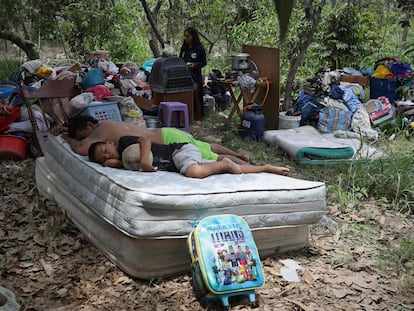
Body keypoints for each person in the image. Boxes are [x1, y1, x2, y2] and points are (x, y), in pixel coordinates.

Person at [64, 115, 250, 164]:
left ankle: (246, 167)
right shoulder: (111, 123)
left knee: (210, 155)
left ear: (89, 125)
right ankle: (240, 155)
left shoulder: (101, 130)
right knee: (206, 145)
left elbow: (81, 149)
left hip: (167, 140)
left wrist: (66, 137)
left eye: (83, 135)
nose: (86, 138)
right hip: (166, 132)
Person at [87, 136, 290, 179]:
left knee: (193, 172)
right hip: (179, 163)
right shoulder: (124, 162)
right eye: (102, 157)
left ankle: (225, 162)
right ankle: (265, 167)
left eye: (105, 149)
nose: (107, 155)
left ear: (110, 142)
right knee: (228, 169)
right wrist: (107, 161)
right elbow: (110, 163)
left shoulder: (124, 143)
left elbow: (144, 140)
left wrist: (144, 162)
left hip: (178, 151)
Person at [179, 27, 207, 121]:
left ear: (193, 37)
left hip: (195, 76)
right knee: (186, 96)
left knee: (196, 96)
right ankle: (187, 117)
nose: (186, 38)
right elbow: (181, 58)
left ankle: (199, 117)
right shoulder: (184, 47)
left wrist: (194, 65)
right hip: (185, 75)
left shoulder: (199, 48)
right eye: (185, 36)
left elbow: (204, 62)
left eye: (188, 36)